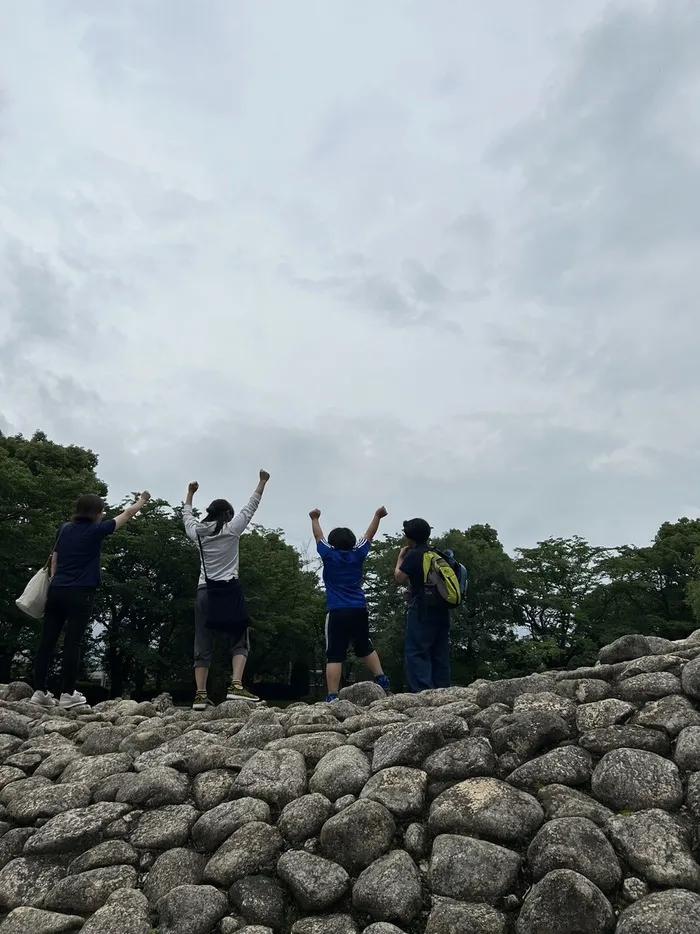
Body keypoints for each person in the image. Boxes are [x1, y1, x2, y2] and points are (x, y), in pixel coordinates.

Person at [31, 490, 151, 709]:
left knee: (47, 641)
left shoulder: (64, 529)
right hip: (82, 592)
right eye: (102, 510)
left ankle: (39, 690)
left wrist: (56, 581)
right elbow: (127, 514)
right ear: (96, 513)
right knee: (72, 642)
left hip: (56, 589)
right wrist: (142, 500)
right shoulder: (98, 531)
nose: (103, 514)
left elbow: (55, 559)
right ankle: (68, 693)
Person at [183, 470, 270, 709]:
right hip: (229, 590)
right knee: (240, 637)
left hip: (204, 591)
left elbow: (187, 516)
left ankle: (200, 695)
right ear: (228, 514)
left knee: (202, 640)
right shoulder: (232, 530)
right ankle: (236, 685)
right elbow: (251, 507)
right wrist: (261, 481)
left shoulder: (197, 533)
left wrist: (189, 494)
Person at [310, 506, 391, 703]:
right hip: (359, 609)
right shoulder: (358, 554)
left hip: (337, 610)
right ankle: (382, 679)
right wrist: (377, 515)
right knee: (365, 645)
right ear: (353, 542)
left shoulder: (329, 555)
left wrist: (314, 518)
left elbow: (318, 537)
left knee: (335, 654)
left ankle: (332, 696)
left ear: (333, 544)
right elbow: (370, 535)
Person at [394, 517, 451, 692]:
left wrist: (400, 558)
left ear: (409, 537)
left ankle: (423, 692)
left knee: (417, 651)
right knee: (439, 650)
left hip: (421, 607)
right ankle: (443, 690)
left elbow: (399, 577)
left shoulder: (414, 554)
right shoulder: (436, 554)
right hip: (442, 607)